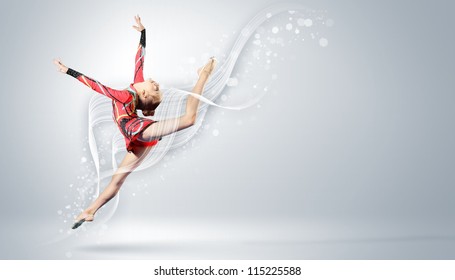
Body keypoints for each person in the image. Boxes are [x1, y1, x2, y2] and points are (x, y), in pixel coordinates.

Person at [53, 15, 217, 229]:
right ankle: (90, 211)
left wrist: (68, 71)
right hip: (135, 132)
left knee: (189, 119)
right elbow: (140, 58)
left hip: (137, 129)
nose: (156, 83)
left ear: (145, 95)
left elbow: (97, 86)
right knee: (118, 180)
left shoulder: (127, 96)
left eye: (155, 89)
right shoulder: (137, 85)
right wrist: (143, 32)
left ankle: (203, 76)